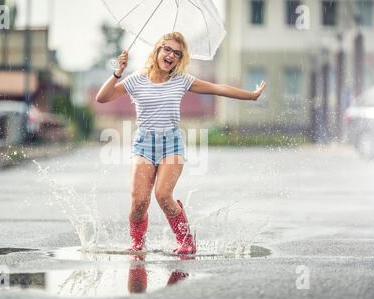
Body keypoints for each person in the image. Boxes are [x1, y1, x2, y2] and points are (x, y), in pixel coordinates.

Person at [96, 32, 266, 255]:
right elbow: (102, 97)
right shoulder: (137, 79)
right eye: (167, 49)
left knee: (163, 195)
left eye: (177, 53)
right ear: (157, 50)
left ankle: (186, 241)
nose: (171, 55)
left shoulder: (181, 80)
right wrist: (118, 72)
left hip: (172, 145)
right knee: (139, 203)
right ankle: (137, 244)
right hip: (143, 145)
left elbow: (218, 88)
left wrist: (251, 96)